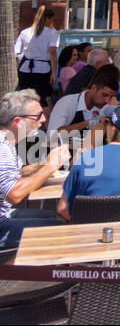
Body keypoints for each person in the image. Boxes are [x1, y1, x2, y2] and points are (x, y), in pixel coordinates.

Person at [0, 90, 71, 247]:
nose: (44, 119)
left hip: (5, 214)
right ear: (18, 121)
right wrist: (50, 166)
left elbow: (16, 172)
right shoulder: (2, 149)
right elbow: (14, 194)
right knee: (64, 229)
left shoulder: (6, 142)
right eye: (38, 116)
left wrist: (42, 164)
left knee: (58, 217)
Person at [48, 65, 120, 135]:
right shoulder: (67, 103)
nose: (107, 100)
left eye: (111, 97)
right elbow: (53, 135)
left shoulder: (106, 107)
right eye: (104, 95)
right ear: (94, 88)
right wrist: (88, 122)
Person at [14, 6, 59, 104]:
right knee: (42, 100)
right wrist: (54, 72)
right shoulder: (52, 32)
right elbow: (52, 52)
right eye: (52, 20)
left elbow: (16, 52)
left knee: (25, 100)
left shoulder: (25, 32)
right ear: (47, 18)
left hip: (25, 69)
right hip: (43, 70)